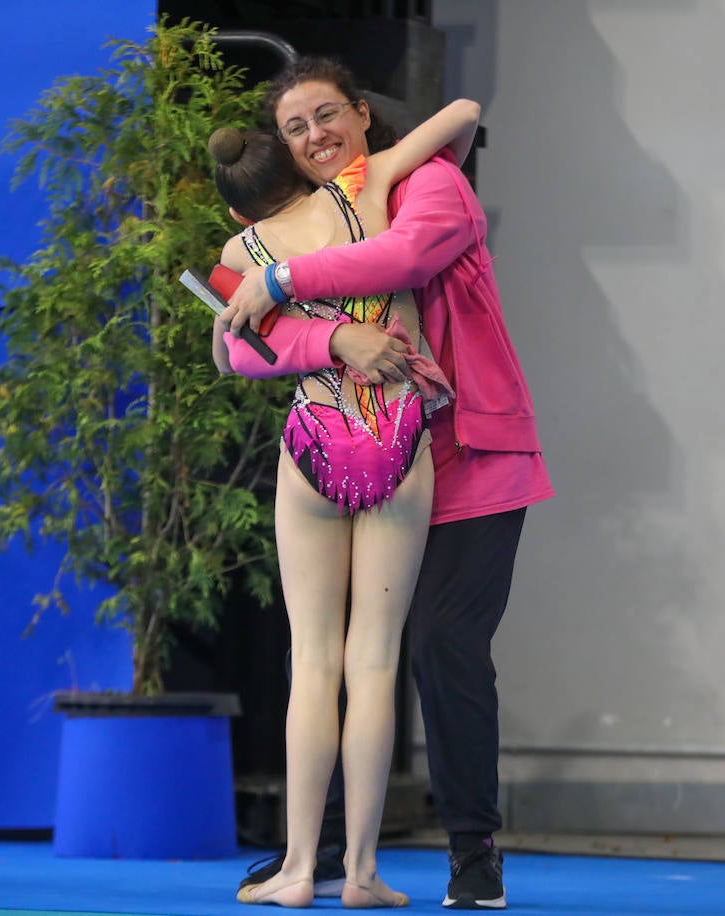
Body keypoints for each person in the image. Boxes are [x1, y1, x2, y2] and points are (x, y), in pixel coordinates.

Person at [221, 58, 554, 912]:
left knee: (439, 645)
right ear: (282, 153)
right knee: (335, 654)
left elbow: (400, 257)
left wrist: (280, 282)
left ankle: (471, 849)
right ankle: (327, 854)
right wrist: (333, 344)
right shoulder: (318, 218)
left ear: (364, 116)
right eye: (295, 129)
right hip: (368, 443)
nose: (315, 136)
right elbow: (239, 344)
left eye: (326, 115)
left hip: (470, 453)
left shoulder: (429, 186)